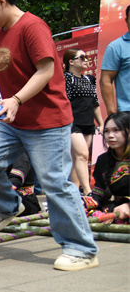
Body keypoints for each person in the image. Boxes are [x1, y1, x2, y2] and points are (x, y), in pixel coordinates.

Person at [0, 0, 98, 271]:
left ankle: (82, 250)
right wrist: (10, 103)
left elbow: (44, 71)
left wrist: (16, 99)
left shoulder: (32, 27)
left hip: (47, 120)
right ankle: (8, 205)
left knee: (54, 183)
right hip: (15, 119)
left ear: (1, 2)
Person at [63, 49, 103, 195]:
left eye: (86, 57)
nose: (86, 59)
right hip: (73, 123)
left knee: (79, 158)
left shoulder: (89, 79)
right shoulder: (66, 78)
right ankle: (87, 191)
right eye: (82, 57)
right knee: (82, 155)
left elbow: (95, 103)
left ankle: (74, 190)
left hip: (88, 123)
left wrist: (101, 123)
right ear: (71, 62)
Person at [83, 112, 129, 224]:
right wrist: (83, 202)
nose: (110, 135)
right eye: (107, 131)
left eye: (116, 130)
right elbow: (100, 193)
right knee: (80, 210)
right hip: (118, 209)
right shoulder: (103, 160)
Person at [99, 7, 130, 115]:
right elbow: (106, 80)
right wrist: (111, 112)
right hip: (127, 112)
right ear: (126, 21)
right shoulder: (116, 47)